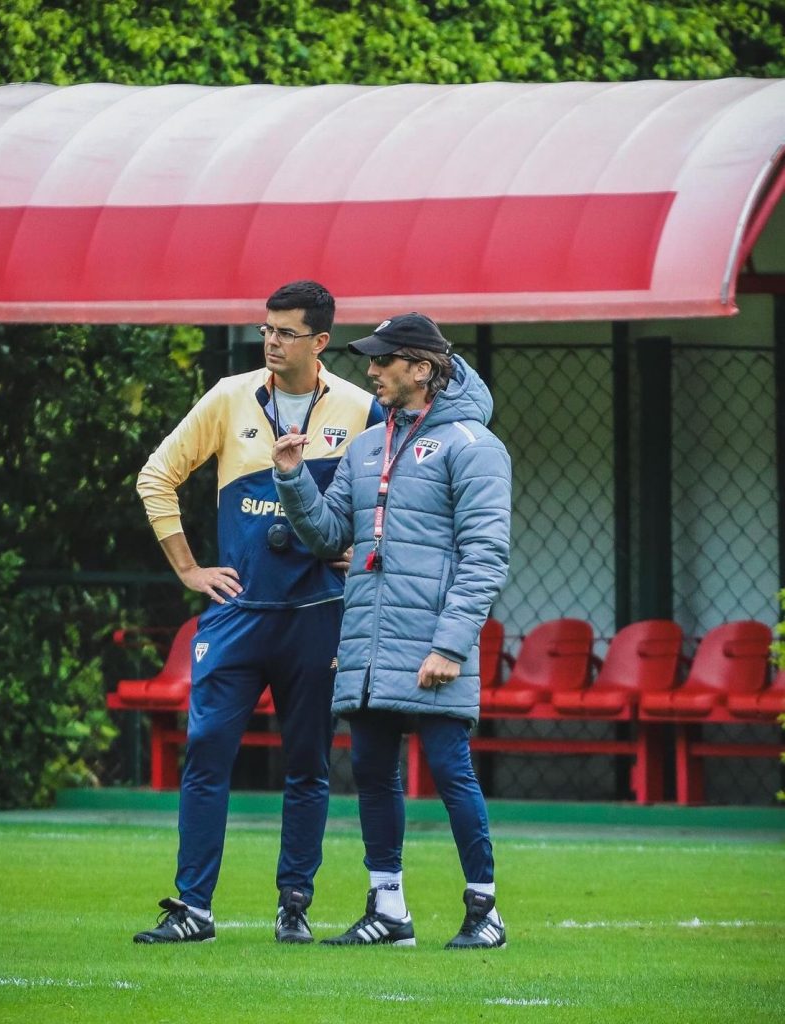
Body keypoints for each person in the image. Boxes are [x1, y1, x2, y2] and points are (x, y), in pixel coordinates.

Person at [132, 280, 383, 945]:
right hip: (237, 613)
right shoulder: (228, 397)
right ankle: (193, 909)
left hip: (318, 614)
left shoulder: (360, 409)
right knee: (207, 753)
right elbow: (156, 475)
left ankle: (294, 904)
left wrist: (362, 548)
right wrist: (188, 568)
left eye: (286, 332)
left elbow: (396, 496)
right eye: (266, 329)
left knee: (308, 765)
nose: (270, 340)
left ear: (320, 341)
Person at [272, 311, 512, 950]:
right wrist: (293, 479)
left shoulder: (473, 444)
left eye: (383, 360)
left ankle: (484, 911)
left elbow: (485, 557)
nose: (371, 371)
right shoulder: (368, 446)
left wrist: (450, 645)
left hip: (432, 646)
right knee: (373, 774)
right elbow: (329, 537)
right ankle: (389, 911)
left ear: (422, 368)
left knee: (451, 772)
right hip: (371, 648)